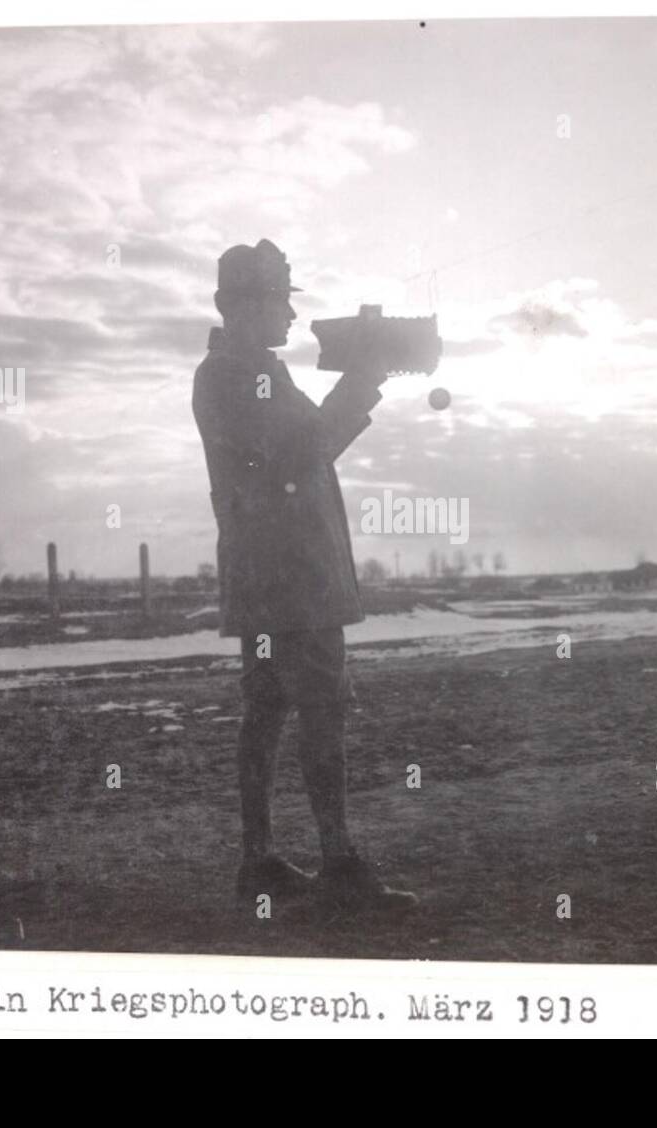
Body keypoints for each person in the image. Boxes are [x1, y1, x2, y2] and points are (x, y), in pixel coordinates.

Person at [191, 239, 417, 913]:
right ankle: (339, 866)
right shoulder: (233, 374)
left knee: (266, 709)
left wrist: (359, 380)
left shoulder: (244, 370)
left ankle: (258, 861)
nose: (290, 317)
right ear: (242, 306)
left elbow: (297, 449)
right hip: (291, 578)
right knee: (321, 709)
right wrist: (362, 380)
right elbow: (299, 454)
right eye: (280, 302)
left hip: (270, 574)